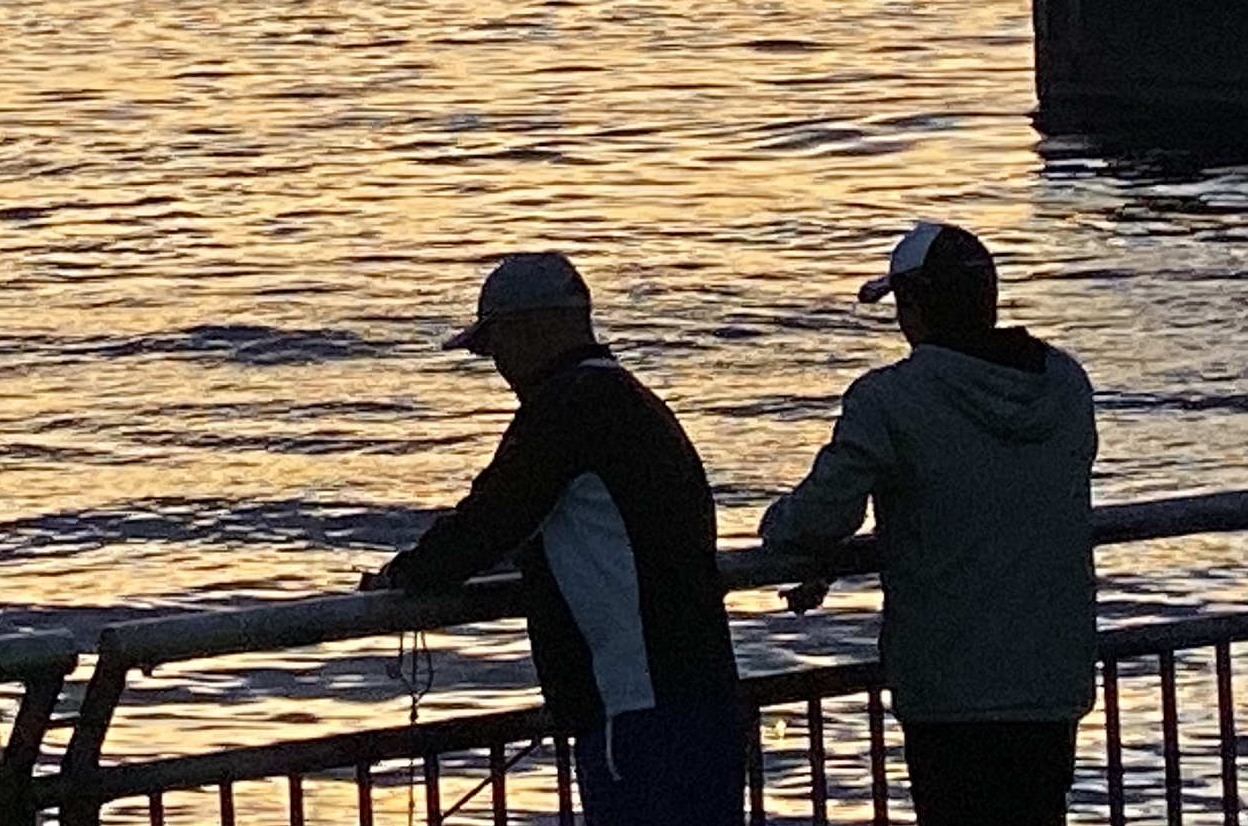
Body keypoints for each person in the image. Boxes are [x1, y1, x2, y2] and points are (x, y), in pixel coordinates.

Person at [361, 252, 744, 826]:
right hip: (703, 692)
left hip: (636, 708)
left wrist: (407, 575)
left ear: (528, 329)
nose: (497, 367)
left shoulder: (564, 411)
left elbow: (487, 522)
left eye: (493, 347)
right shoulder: (634, 403)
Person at [760, 221, 1097, 826]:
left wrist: (777, 528)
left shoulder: (890, 399)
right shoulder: (1066, 386)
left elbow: (820, 515)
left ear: (912, 307)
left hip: (950, 688)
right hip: (1051, 679)